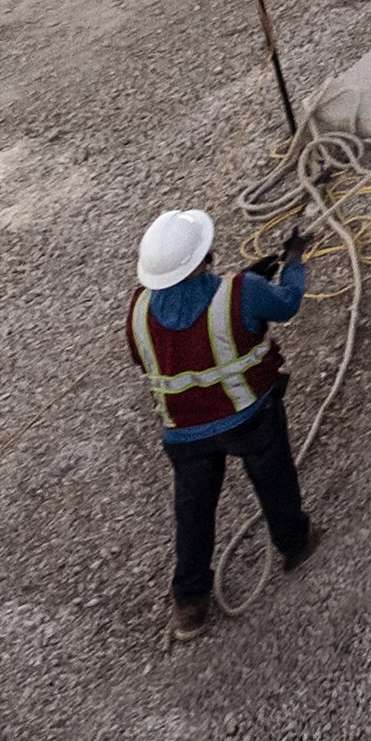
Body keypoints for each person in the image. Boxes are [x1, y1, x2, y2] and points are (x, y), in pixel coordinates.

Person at [136, 205, 316, 636]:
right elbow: (286, 304)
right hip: (249, 417)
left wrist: (244, 281)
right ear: (203, 257)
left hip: (184, 434)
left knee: (193, 511)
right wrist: (293, 262)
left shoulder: (138, 310)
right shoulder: (242, 291)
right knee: (275, 480)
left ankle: (189, 605)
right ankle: (294, 544)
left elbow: (159, 351)